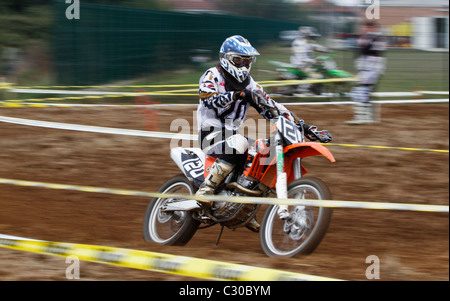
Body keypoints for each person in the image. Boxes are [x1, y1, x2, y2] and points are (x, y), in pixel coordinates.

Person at [195, 35, 332, 229]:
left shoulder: (251, 85)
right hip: (210, 133)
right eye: (238, 60)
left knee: (263, 154)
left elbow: (274, 107)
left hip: (232, 135)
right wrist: (239, 94)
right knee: (240, 143)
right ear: (226, 58)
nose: (243, 65)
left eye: (247, 61)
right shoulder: (212, 75)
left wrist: (307, 127)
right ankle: (206, 189)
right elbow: (208, 98)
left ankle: (243, 207)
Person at [347, 21, 387, 124]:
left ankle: (364, 118)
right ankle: (365, 117)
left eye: (367, 27)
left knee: (362, 92)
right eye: (364, 27)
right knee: (359, 92)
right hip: (365, 69)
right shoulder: (366, 37)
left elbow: (369, 50)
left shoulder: (377, 38)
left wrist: (367, 41)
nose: (365, 29)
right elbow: (360, 51)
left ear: (373, 28)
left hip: (372, 70)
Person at [290, 27, 329, 94]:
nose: (313, 38)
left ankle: (313, 89)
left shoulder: (305, 42)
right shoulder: (299, 44)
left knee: (318, 70)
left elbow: (315, 46)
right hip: (301, 64)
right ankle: (302, 89)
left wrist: (326, 49)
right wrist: (313, 61)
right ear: (306, 35)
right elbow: (301, 58)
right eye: (311, 37)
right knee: (316, 76)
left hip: (307, 63)